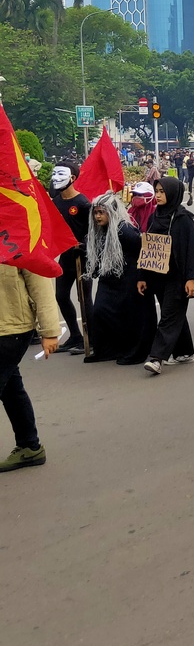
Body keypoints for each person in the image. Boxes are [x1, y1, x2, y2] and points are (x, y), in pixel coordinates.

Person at [84, 193, 156, 365]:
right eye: (96, 213)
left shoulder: (124, 230)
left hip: (129, 278)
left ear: (111, 212)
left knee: (131, 317)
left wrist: (142, 276)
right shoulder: (100, 230)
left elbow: (143, 248)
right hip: (109, 279)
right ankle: (109, 350)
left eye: (101, 212)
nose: (98, 216)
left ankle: (136, 352)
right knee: (100, 311)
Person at [137, 177, 194, 374]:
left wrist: (191, 278)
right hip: (157, 275)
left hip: (177, 277)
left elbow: (191, 251)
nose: (158, 195)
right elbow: (147, 247)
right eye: (157, 191)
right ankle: (185, 352)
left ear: (173, 193)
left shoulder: (184, 219)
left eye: (163, 192)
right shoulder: (155, 216)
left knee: (168, 316)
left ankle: (156, 358)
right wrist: (142, 276)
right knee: (172, 313)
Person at [0, 265, 59, 471]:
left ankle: (29, 446)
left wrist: (50, 331)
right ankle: (29, 446)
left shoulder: (21, 236)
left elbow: (41, 285)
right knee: (11, 388)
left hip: (12, 328)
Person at [49, 162, 93, 354]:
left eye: (60, 174)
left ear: (72, 178)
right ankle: (75, 335)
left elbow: (94, 231)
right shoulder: (56, 201)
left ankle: (91, 337)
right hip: (66, 258)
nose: (55, 178)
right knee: (61, 296)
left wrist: (83, 245)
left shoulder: (83, 204)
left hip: (82, 259)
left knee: (84, 299)